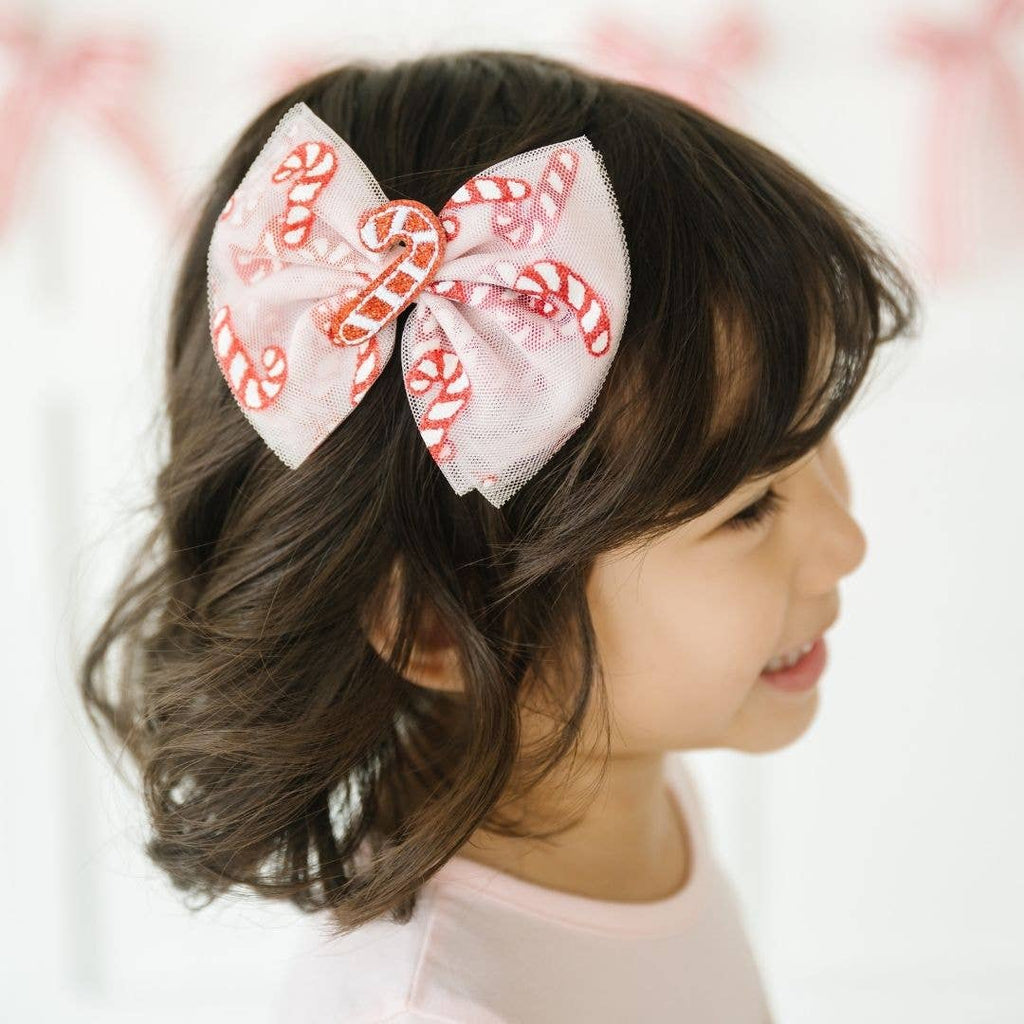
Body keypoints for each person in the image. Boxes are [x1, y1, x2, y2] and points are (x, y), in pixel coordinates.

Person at [78, 48, 919, 1022]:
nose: (845, 543)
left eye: (818, 444)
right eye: (750, 508)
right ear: (438, 623)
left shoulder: (631, 796)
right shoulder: (434, 1002)